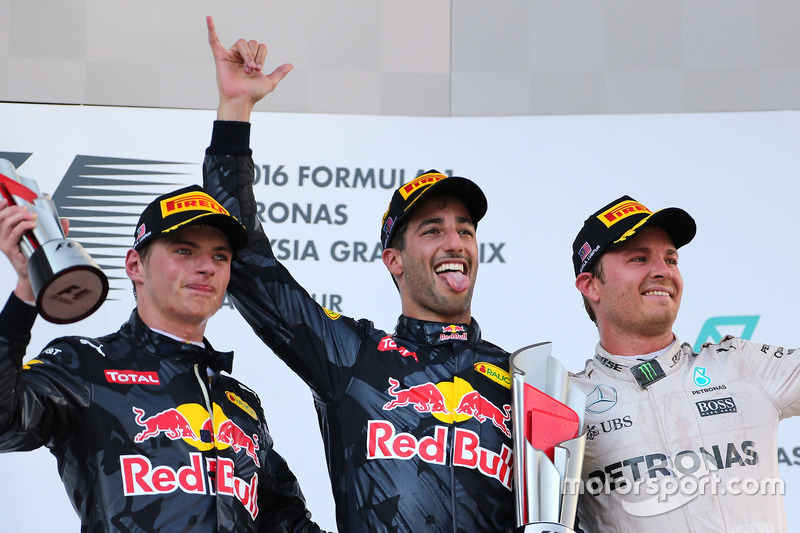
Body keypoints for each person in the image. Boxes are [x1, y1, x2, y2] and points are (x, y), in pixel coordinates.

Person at [201, 16, 514, 532]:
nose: (455, 242)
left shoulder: (520, 380)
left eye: (464, 229)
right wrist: (235, 113)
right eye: (432, 230)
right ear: (394, 259)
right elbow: (248, 264)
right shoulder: (353, 356)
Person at [0, 186, 323, 532]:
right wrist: (25, 294)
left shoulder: (239, 401)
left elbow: (287, 523)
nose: (206, 268)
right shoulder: (84, 365)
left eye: (220, 256)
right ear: (135, 265)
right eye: (184, 250)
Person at [570, 195, 799, 531]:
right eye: (639, 258)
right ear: (591, 285)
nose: (663, 271)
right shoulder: (567, 400)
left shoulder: (741, 365)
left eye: (671, 259)